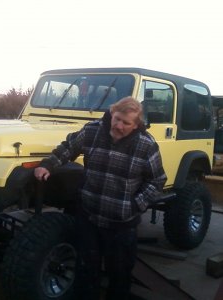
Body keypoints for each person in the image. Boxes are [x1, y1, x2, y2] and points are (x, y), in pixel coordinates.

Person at [34, 96, 167, 300]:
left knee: (119, 276)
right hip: (89, 218)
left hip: (122, 226)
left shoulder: (146, 145)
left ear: (136, 124)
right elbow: (68, 148)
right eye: (117, 119)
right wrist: (48, 164)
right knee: (87, 271)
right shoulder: (92, 131)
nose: (119, 125)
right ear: (112, 114)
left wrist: (134, 205)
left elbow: (157, 180)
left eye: (126, 123)